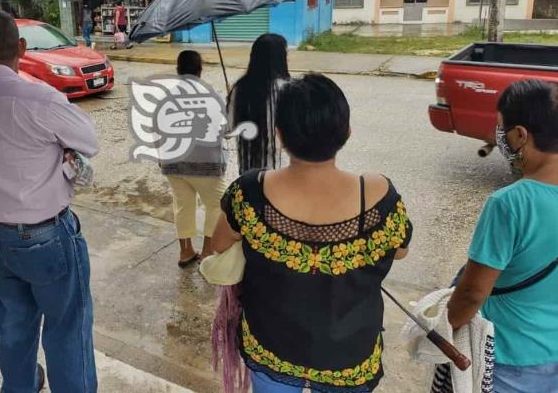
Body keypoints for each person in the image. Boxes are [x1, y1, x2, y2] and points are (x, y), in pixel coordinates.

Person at [213, 73, 412, 392]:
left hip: (271, 348)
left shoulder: (250, 191)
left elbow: (218, 244)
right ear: (346, 131)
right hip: (349, 357)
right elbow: (400, 250)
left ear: (279, 135)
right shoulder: (377, 194)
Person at [0, 9, 99, 393]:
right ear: (21, 48)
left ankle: (20, 386)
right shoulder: (38, 98)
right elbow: (89, 142)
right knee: (67, 326)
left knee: (14, 321)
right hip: (44, 235)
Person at [448, 79, 558, 392]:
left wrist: (444, 326)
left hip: (511, 355)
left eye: (502, 129)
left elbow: (471, 293)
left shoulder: (510, 203)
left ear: (521, 135)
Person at [161, 50, 227, 267]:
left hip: (174, 164)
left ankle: (185, 251)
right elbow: (225, 129)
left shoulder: (166, 97)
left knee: (182, 206)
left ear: (178, 70)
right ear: (200, 69)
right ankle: (207, 250)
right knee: (217, 204)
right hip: (205, 164)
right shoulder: (210, 95)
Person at [227, 33, 290, 174]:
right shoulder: (289, 89)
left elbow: (229, 128)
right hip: (281, 168)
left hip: (249, 168)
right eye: (285, 54)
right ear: (279, 58)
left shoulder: (240, 88)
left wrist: (232, 99)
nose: (288, 58)